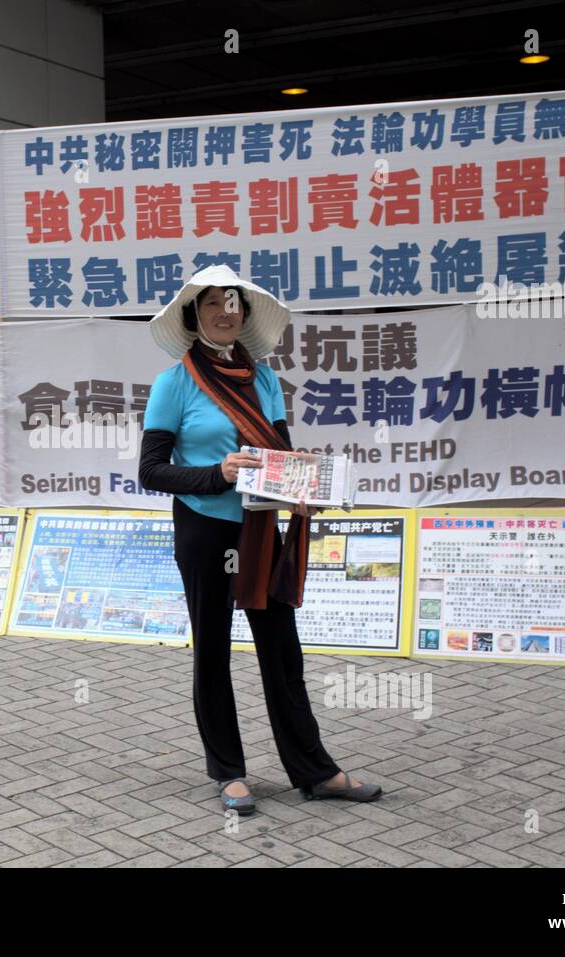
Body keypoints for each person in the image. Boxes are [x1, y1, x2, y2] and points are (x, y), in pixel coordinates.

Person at [140, 264, 382, 815]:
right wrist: (215, 473)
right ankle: (228, 772)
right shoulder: (174, 383)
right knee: (214, 652)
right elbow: (151, 471)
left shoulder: (264, 378)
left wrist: (304, 485)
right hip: (204, 529)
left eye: (234, 303)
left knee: (282, 651)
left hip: (260, 528)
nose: (226, 312)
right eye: (212, 304)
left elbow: (281, 451)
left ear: (245, 314)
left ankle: (315, 771)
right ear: (192, 315)